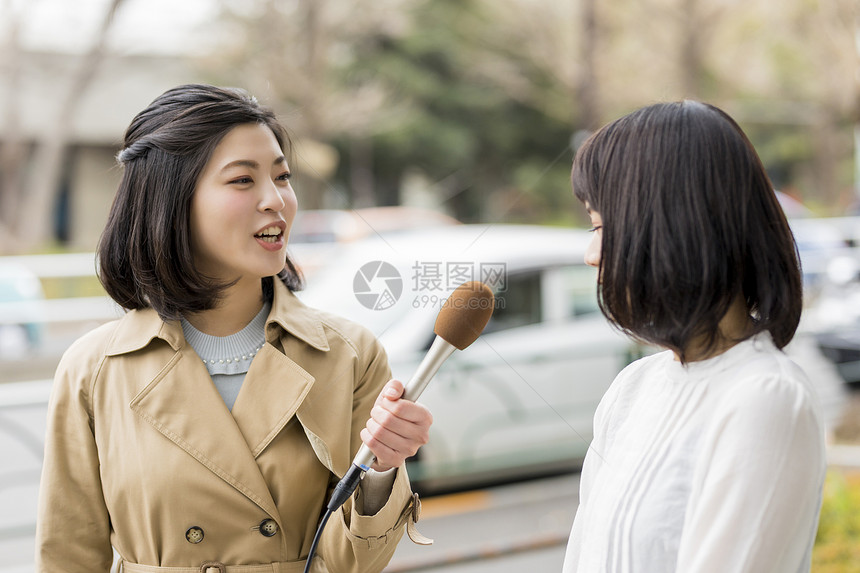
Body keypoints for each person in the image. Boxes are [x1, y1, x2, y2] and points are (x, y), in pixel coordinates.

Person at [36, 84, 433, 573]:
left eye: (282, 177)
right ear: (171, 200)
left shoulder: (348, 354)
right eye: (243, 180)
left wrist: (382, 470)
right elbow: (68, 554)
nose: (276, 200)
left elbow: (354, 563)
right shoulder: (94, 369)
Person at [563, 100, 826, 573]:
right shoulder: (633, 388)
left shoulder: (766, 398)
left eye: (601, 225)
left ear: (670, 226)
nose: (591, 253)